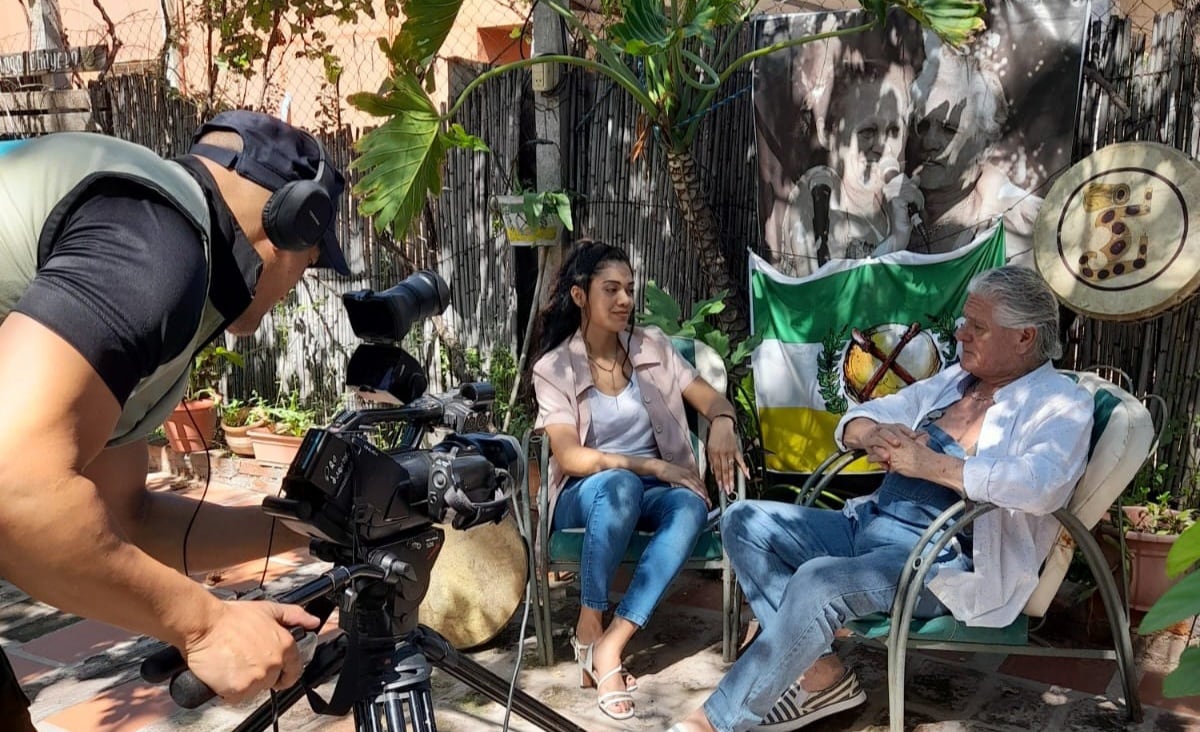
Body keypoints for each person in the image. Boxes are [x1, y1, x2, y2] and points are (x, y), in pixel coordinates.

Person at [0, 110, 350, 728]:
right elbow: (17, 494)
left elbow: (124, 519)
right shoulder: (154, 241)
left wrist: (313, 531)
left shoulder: (149, 235)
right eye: (312, 261)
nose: (298, 284)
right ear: (296, 222)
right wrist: (205, 623)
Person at [669, 266, 1093, 732]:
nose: (961, 332)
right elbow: (858, 417)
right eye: (964, 321)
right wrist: (874, 433)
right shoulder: (956, 383)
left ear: (1024, 337)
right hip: (866, 527)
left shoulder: (1061, 404)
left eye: (977, 326)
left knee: (818, 582)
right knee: (744, 521)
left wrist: (930, 464)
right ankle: (824, 674)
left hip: (937, 561)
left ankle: (716, 722)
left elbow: (1040, 484)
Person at [530, 241, 747, 721]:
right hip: (583, 494)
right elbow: (568, 455)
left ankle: (610, 644)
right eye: (611, 289)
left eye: (629, 289)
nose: (625, 299)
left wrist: (725, 424)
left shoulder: (652, 347)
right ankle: (588, 623)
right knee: (621, 486)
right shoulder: (555, 367)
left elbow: (711, 400)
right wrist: (651, 466)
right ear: (580, 296)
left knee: (690, 505)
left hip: (651, 492)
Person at [776, 54, 924, 277]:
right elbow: (822, 294)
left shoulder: (899, 208)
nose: (883, 148)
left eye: (894, 131)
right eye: (867, 132)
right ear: (829, 134)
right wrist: (894, 243)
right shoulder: (819, 191)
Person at [906, 42, 1043, 265]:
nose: (929, 142)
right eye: (921, 125)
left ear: (985, 145)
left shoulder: (1021, 228)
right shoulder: (888, 214)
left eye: (949, 129)